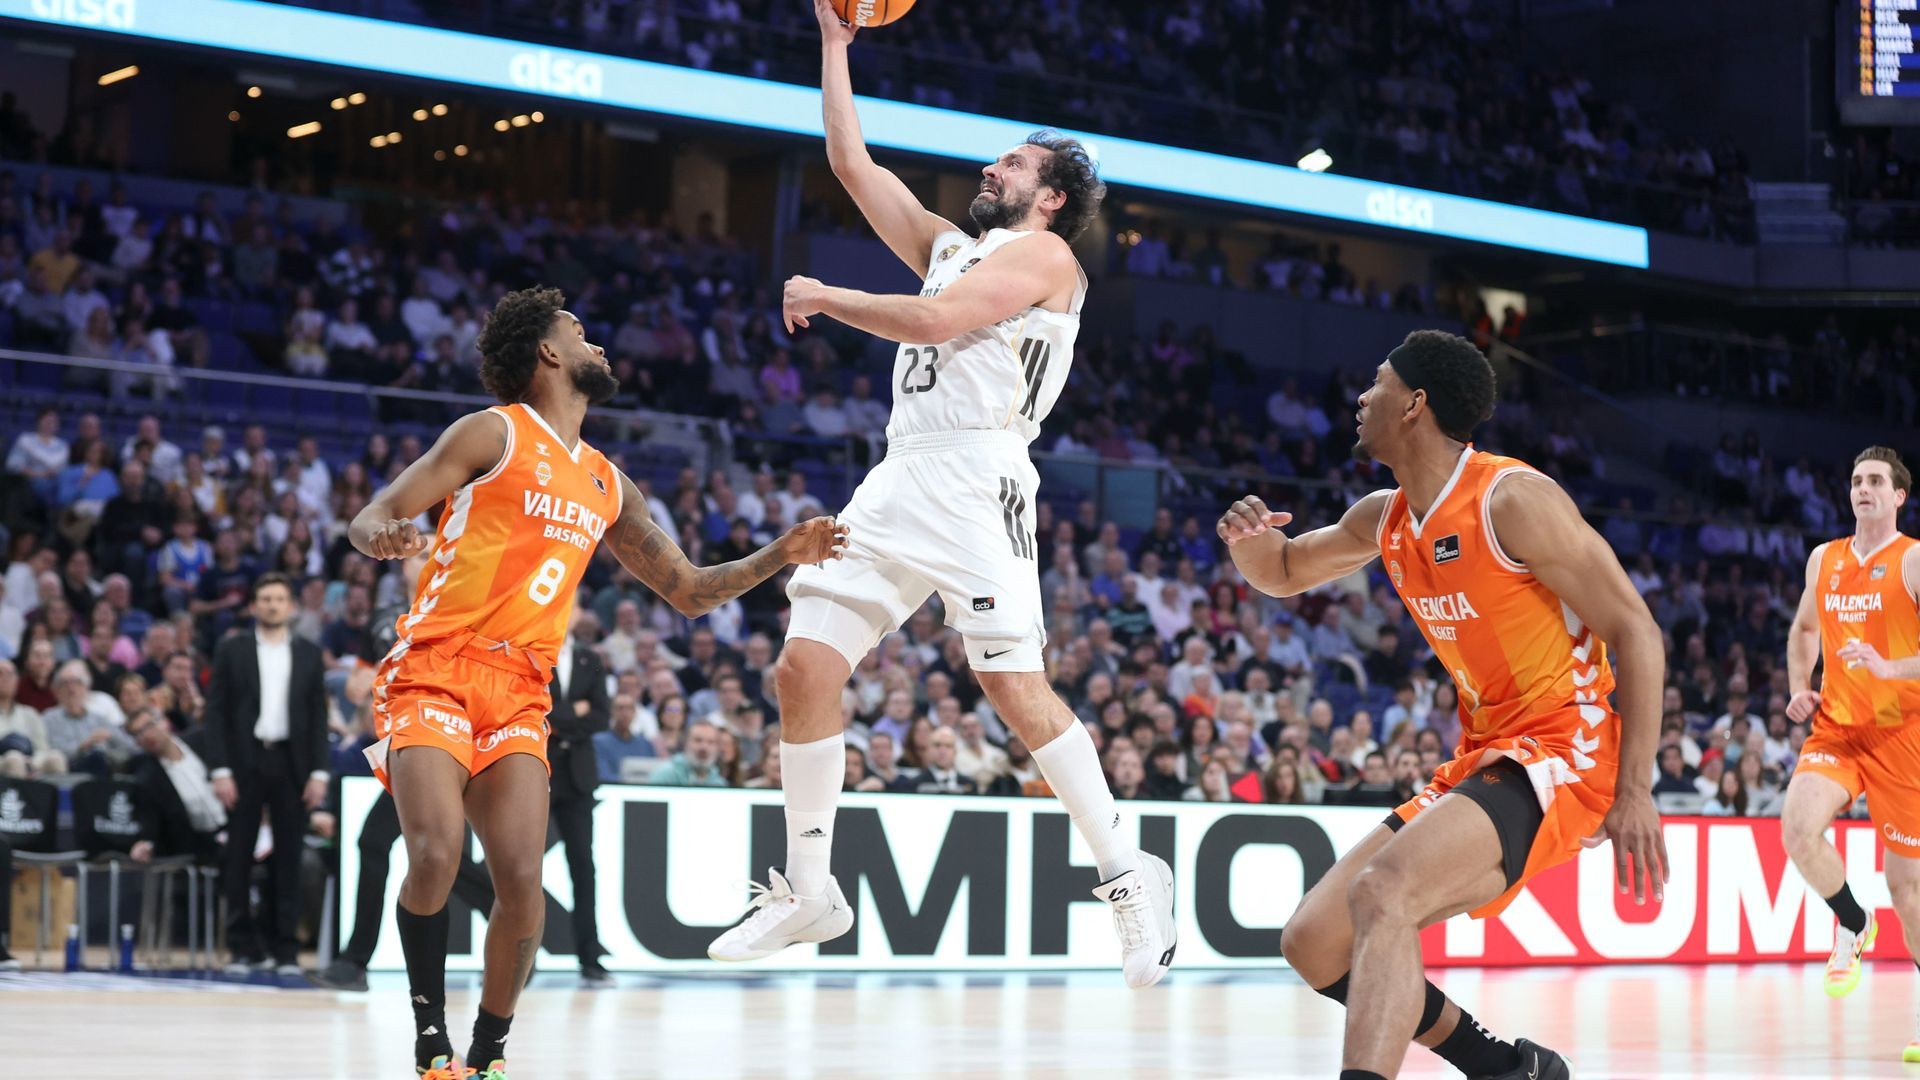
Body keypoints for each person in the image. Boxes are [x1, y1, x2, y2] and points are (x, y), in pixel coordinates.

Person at [707, 0, 1174, 991]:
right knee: (802, 669)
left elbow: (935, 323)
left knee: (1011, 688)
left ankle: (1131, 875)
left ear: (1048, 200)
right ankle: (811, 889)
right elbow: (850, 163)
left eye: (1012, 166)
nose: (991, 171)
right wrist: (835, 47)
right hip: (901, 470)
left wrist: (829, 296)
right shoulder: (949, 241)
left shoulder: (1047, 258)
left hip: (978, 478)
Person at [345, 285, 845, 1078]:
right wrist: (385, 538)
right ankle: (427, 1035)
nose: (599, 346)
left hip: (522, 686)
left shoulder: (608, 483)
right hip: (437, 667)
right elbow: (374, 511)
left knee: (522, 881)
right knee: (436, 855)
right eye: (581, 332)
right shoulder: (492, 433)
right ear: (548, 352)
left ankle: (489, 1054)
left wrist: (781, 555)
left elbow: (687, 590)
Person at [1218, 330, 1666, 1080]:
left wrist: (1637, 791)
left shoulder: (1511, 498)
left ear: (1415, 404)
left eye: (1377, 383)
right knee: (1314, 940)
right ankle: (1501, 1067)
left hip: (1565, 746)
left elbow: (1637, 630)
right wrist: (1248, 547)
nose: (1361, 398)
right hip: (1487, 752)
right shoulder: (1383, 517)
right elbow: (1289, 570)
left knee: (1384, 891)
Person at [1781, 446, 1920, 1060]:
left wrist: (1891, 666)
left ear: (1898, 496)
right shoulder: (1824, 558)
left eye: (1876, 481)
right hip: (1837, 728)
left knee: (1909, 887)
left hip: (1901, 735)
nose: (1863, 488)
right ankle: (1854, 922)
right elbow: (1805, 629)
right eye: (1857, 479)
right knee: (1797, 830)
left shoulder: (1913, 560)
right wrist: (1797, 688)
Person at [202, 573, 329, 976]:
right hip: (244, 761)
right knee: (238, 854)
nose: (272, 605)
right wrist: (220, 769)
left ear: (291, 607)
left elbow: (317, 717)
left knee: (288, 857)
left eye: (279, 598)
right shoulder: (232, 648)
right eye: (265, 598)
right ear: (254, 605)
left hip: (291, 762)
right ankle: (243, 947)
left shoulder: (309, 652)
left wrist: (320, 772)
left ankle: (286, 948)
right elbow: (216, 711)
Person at [544, 612, 614, 986]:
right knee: (520, 867)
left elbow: (602, 715)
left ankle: (590, 956)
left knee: (583, 866)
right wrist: (575, 711)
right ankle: (519, 955)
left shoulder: (590, 658)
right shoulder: (534, 649)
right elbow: (536, 711)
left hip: (579, 776)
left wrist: (561, 718)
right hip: (539, 770)